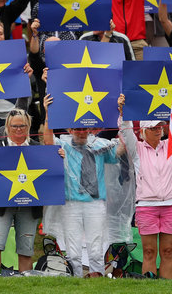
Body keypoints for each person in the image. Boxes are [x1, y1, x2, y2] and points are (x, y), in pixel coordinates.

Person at [117, 94, 172, 279]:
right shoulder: (136, 149)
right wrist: (123, 112)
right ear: (143, 131)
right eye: (153, 128)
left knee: (168, 250)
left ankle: (166, 288)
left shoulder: (171, 146)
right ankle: (151, 288)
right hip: (146, 205)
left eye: (160, 127)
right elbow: (126, 130)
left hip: (170, 204)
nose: (158, 130)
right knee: (148, 251)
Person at [43, 95, 119, 278]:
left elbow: (122, 152)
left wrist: (122, 117)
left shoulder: (101, 144)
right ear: (70, 129)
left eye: (84, 128)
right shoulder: (63, 144)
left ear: (90, 129)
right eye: (77, 128)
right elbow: (47, 141)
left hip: (95, 204)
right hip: (71, 204)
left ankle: (97, 280)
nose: (81, 132)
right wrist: (48, 113)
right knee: (73, 251)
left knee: (95, 249)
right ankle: (76, 281)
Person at [0, 109, 40, 276]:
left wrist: (58, 157)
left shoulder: (39, 149)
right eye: (14, 126)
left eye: (22, 126)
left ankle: (25, 285)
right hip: (1, 205)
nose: (18, 129)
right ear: (7, 127)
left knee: (26, 248)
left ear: (28, 126)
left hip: (29, 205)